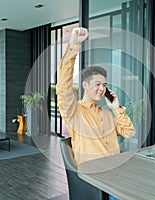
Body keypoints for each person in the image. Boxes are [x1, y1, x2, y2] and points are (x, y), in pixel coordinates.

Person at [56, 27, 135, 166]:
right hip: (93, 174)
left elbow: (129, 132)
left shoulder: (107, 114)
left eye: (104, 85)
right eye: (97, 84)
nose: (102, 89)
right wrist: (74, 45)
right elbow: (63, 86)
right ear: (85, 85)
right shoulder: (74, 111)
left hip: (115, 168)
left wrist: (116, 108)